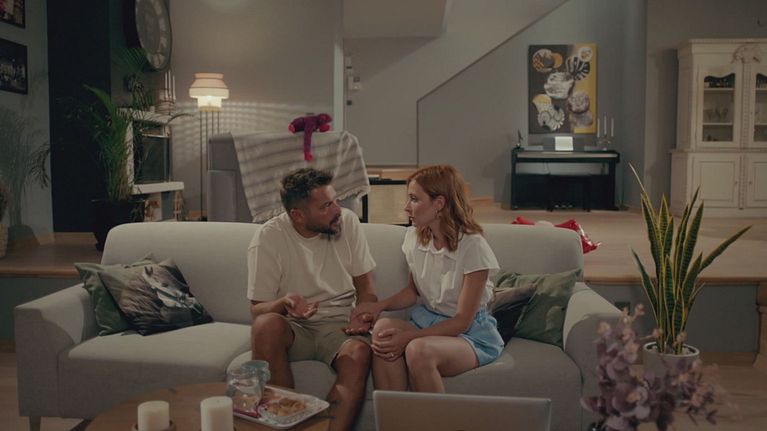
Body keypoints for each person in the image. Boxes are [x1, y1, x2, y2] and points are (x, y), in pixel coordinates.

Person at [350, 165, 503, 393]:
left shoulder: (473, 246)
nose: (406, 207)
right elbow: (413, 292)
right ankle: (395, 413)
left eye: (414, 199)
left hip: (469, 333)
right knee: (382, 332)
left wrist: (409, 337)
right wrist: (378, 306)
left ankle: (431, 415)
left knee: (418, 349)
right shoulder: (415, 238)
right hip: (428, 320)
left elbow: (461, 321)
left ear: (439, 203)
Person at [248, 168, 377, 431]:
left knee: (359, 352)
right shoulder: (269, 237)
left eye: (335, 200)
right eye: (326, 206)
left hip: (339, 325)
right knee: (265, 325)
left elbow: (366, 288)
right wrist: (284, 303)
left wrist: (363, 314)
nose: (337, 210)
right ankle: (285, 425)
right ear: (297, 215)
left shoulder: (348, 223)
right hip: (295, 328)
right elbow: (257, 310)